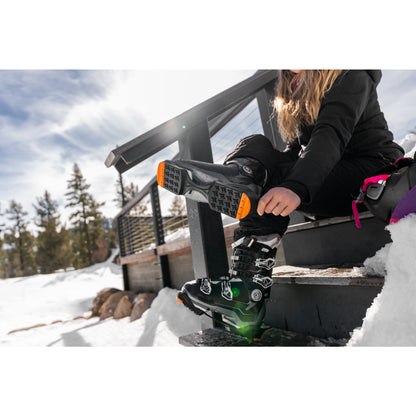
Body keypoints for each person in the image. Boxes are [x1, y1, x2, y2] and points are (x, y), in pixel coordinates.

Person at [157, 70, 404, 337]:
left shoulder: (350, 72)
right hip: (328, 173)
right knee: (258, 150)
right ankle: (239, 179)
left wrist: (294, 186)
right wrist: (265, 165)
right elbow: (298, 150)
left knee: (269, 180)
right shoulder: (297, 87)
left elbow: (329, 135)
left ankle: (247, 294)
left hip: (372, 172)